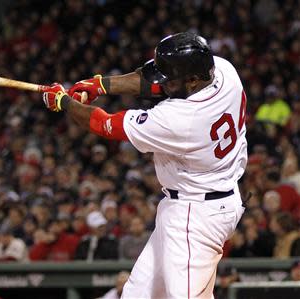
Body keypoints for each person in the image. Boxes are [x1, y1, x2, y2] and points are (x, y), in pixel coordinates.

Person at [43, 32, 247, 298]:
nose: (165, 83)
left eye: (172, 78)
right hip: (199, 202)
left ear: (194, 79)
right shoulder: (224, 71)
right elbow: (154, 82)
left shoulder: (179, 119)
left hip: (196, 215)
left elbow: (104, 124)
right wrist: (100, 84)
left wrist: (64, 102)